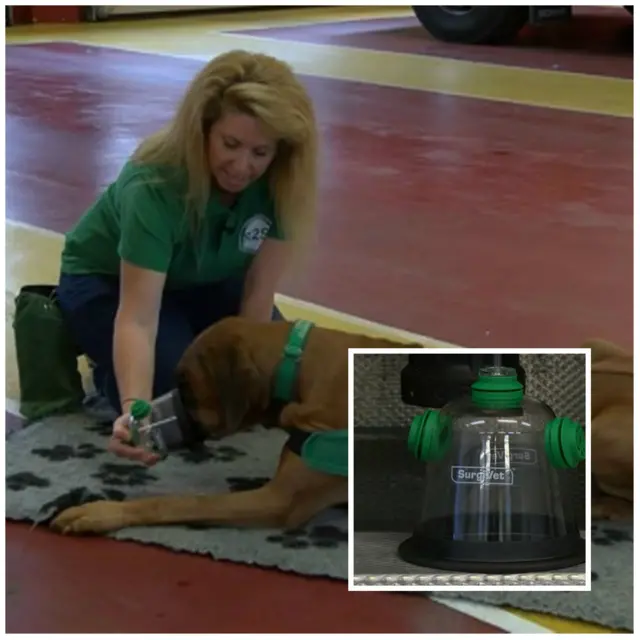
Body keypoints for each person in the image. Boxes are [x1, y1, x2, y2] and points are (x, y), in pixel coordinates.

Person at [56, 49, 318, 465]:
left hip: (205, 280)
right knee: (176, 397)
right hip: (108, 281)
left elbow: (256, 296)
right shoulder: (154, 183)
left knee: (285, 373)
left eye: (260, 152)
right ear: (202, 129)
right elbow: (139, 318)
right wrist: (135, 409)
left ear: (280, 152)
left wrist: (246, 376)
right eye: (230, 144)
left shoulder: (283, 183)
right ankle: (106, 369)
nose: (241, 166)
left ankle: (177, 342)